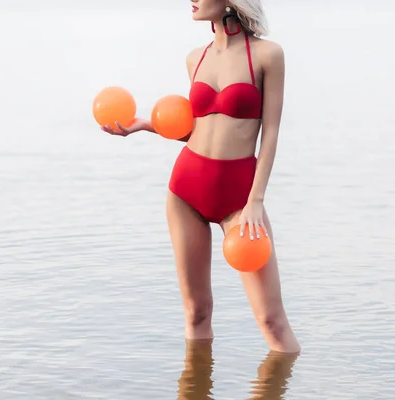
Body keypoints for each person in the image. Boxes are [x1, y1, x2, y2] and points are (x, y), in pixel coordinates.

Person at [102, 0, 301, 354]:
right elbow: (199, 129)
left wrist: (255, 201)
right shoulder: (196, 58)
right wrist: (147, 125)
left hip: (241, 197)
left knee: (272, 321)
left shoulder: (268, 55)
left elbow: (270, 134)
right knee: (196, 313)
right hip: (186, 191)